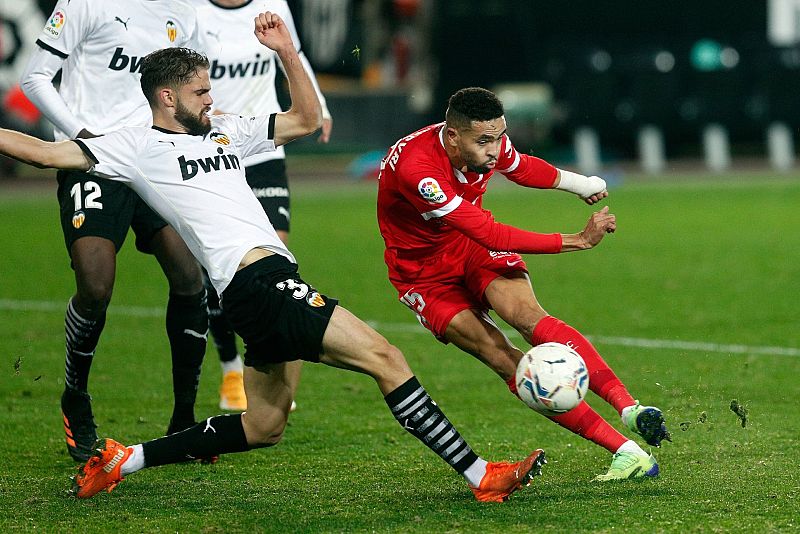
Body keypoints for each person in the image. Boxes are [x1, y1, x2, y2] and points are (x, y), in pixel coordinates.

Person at [0, 13, 546, 503]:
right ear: (167, 97)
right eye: (200, 91)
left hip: (263, 285)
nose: (210, 98)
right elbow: (44, 152)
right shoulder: (133, 146)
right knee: (387, 358)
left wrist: (286, 52)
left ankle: (124, 460)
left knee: (263, 426)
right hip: (256, 282)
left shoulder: (225, 130)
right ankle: (481, 475)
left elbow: (304, 119)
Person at [376, 87, 671, 481]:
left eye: (500, 137)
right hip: (424, 276)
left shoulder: (484, 143)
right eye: (485, 142)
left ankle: (629, 408)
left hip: (469, 248)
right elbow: (490, 233)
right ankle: (627, 452)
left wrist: (580, 184)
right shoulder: (420, 171)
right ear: (453, 137)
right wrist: (576, 241)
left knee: (529, 317)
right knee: (501, 357)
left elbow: (521, 167)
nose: (495, 150)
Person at [19, 0, 209, 461]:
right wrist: (82, 133)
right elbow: (34, 77)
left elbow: (193, 88)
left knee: (190, 277)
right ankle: (75, 396)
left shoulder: (184, 11)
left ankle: (184, 418)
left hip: (154, 159)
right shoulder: (86, 3)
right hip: (93, 161)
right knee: (96, 284)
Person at [190, 0, 333, 413]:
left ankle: (269, 373)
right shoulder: (194, 11)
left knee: (272, 259)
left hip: (264, 144)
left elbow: (294, 53)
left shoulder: (274, 5)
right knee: (220, 267)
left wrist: (319, 106)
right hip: (215, 147)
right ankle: (231, 368)